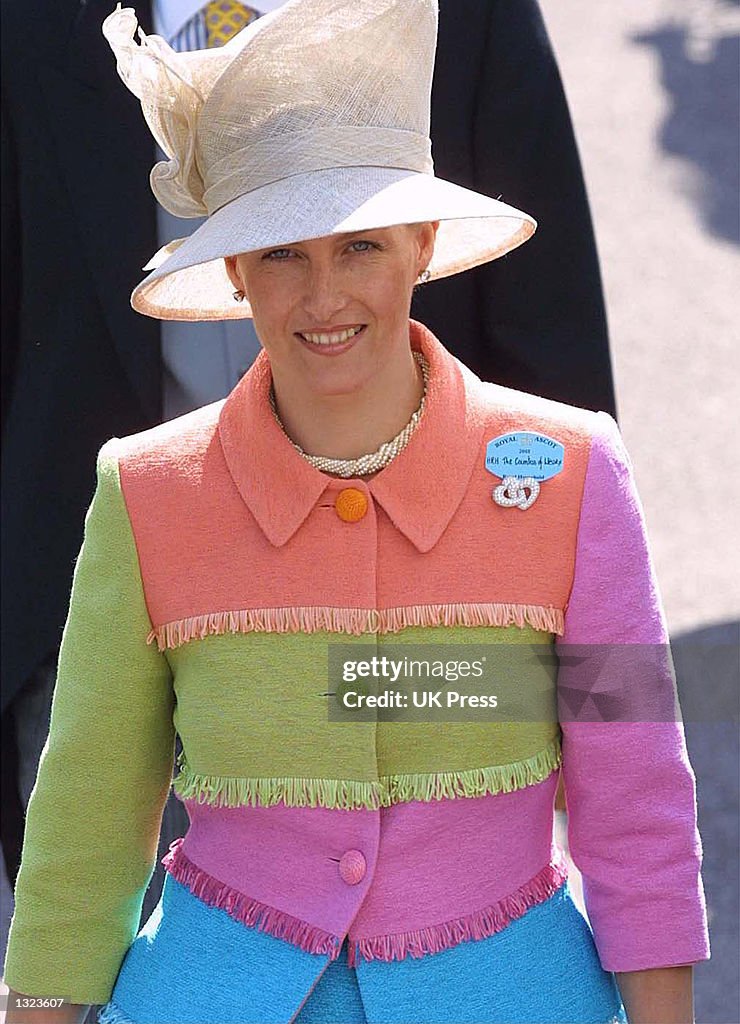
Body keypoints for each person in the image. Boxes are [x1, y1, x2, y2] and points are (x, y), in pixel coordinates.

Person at [3, 1, 709, 1022]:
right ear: (234, 268)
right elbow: (84, 832)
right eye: (281, 253)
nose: (322, 296)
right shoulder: (145, 495)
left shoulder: (570, 476)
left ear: (423, 244)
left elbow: (634, 806)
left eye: (361, 247)